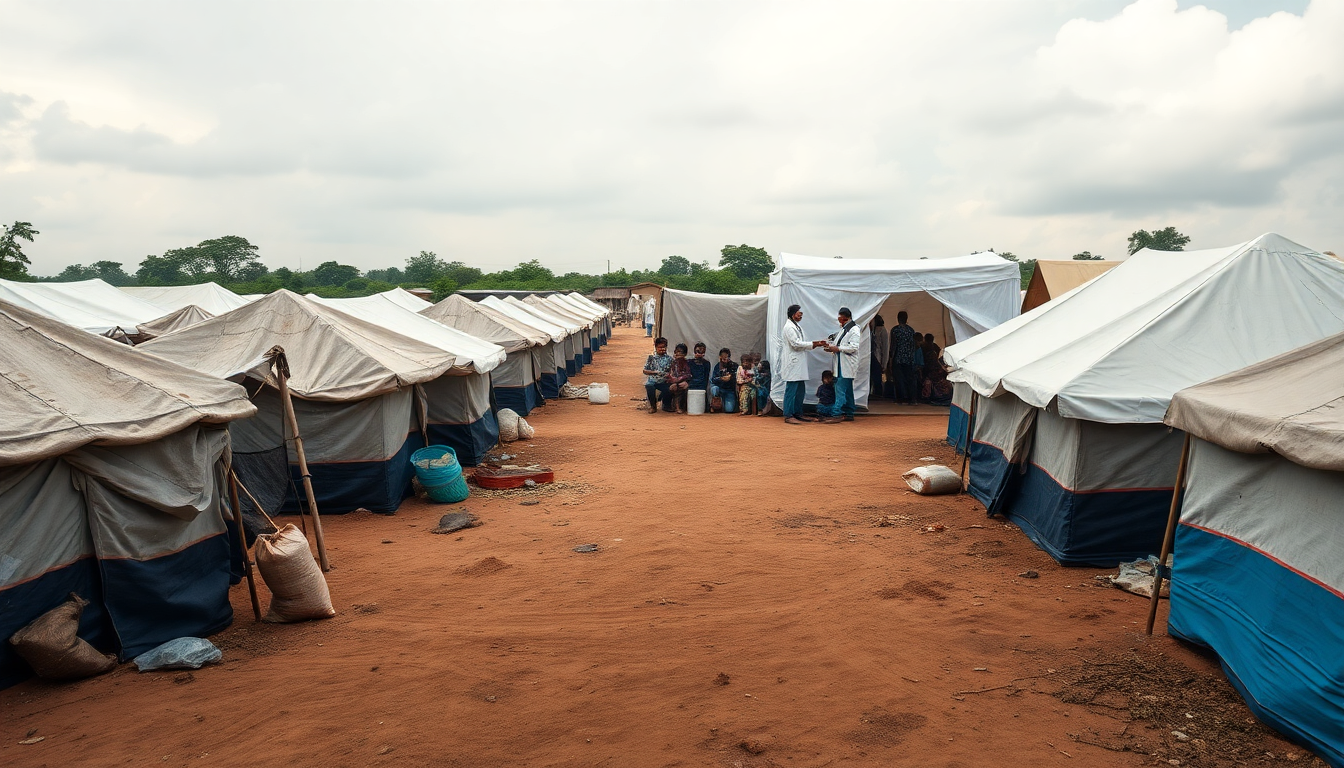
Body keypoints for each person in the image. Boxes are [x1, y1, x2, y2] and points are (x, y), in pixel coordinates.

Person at [780, 304, 825, 424]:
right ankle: (788, 414)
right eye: (799, 314)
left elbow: (800, 343)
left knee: (800, 389)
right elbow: (795, 344)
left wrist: (815, 344)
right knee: (791, 389)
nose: (800, 316)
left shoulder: (796, 326)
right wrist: (813, 344)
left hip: (798, 363)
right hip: (792, 363)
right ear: (793, 314)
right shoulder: (789, 327)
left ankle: (798, 412)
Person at [822, 306, 862, 421]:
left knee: (840, 389)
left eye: (841, 319)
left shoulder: (854, 330)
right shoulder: (844, 329)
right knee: (848, 390)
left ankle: (836, 413)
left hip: (845, 364)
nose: (840, 322)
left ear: (846, 318)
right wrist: (831, 347)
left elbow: (854, 347)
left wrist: (837, 348)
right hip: (841, 363)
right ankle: (849, 412)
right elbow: (838, 344)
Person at [889, 311, 918, 405]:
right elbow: (913, 345)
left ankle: (900, 398)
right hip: (909, 358)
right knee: (910, 379)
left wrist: (890, 359)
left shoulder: (895, 330)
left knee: (899, 379)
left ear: (898, 318)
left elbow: (893, 345)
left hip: (898, 358)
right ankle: (912, 399)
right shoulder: (911, 330)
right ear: (906, 319)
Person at [642, 337, 673, 413]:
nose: (662, 349)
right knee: (649, 386)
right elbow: (645, 370)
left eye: (664, 347)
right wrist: (654, 372)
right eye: (660, 347)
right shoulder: (651, 358)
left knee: (671, 387)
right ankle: (653, 406)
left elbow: (672, 371)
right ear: (656, 347)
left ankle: (666, 405)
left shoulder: (670, 359)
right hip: (653, 380)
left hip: (664, 381)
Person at [711, 347, 739, 413]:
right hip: (720, 388)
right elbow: (713, 379)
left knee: (729, 410)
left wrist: (731, 377)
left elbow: (738, 377)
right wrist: (721, 379)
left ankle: (723, 404)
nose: (724, 360)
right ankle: (715, 403)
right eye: (723, 358)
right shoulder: (717, 366)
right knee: (714, 389)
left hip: (729, 390)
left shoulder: (734, 366)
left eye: (726, 358)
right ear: (720, 357)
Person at [667, 343, 692, 413]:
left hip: (683, 382)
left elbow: (688, 374)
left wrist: (680, 380)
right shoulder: (673, 362)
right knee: (673, 387)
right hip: (673, 382)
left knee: (682, 388)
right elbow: (669, 374)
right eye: (676, 351)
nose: (677, 354)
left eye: (680, 352)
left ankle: (680, 407)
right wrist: (673, 381)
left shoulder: (686, 363)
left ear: (684, 354)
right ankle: (675, 406)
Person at [869, 314, 888, 401]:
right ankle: (873, 394)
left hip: (876, 356)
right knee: (871, 377)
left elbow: (885, 347)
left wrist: (884, 362)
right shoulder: (870, 330)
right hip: (871, 356)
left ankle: (878, 394)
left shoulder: (882, 330)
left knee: (876, 377)